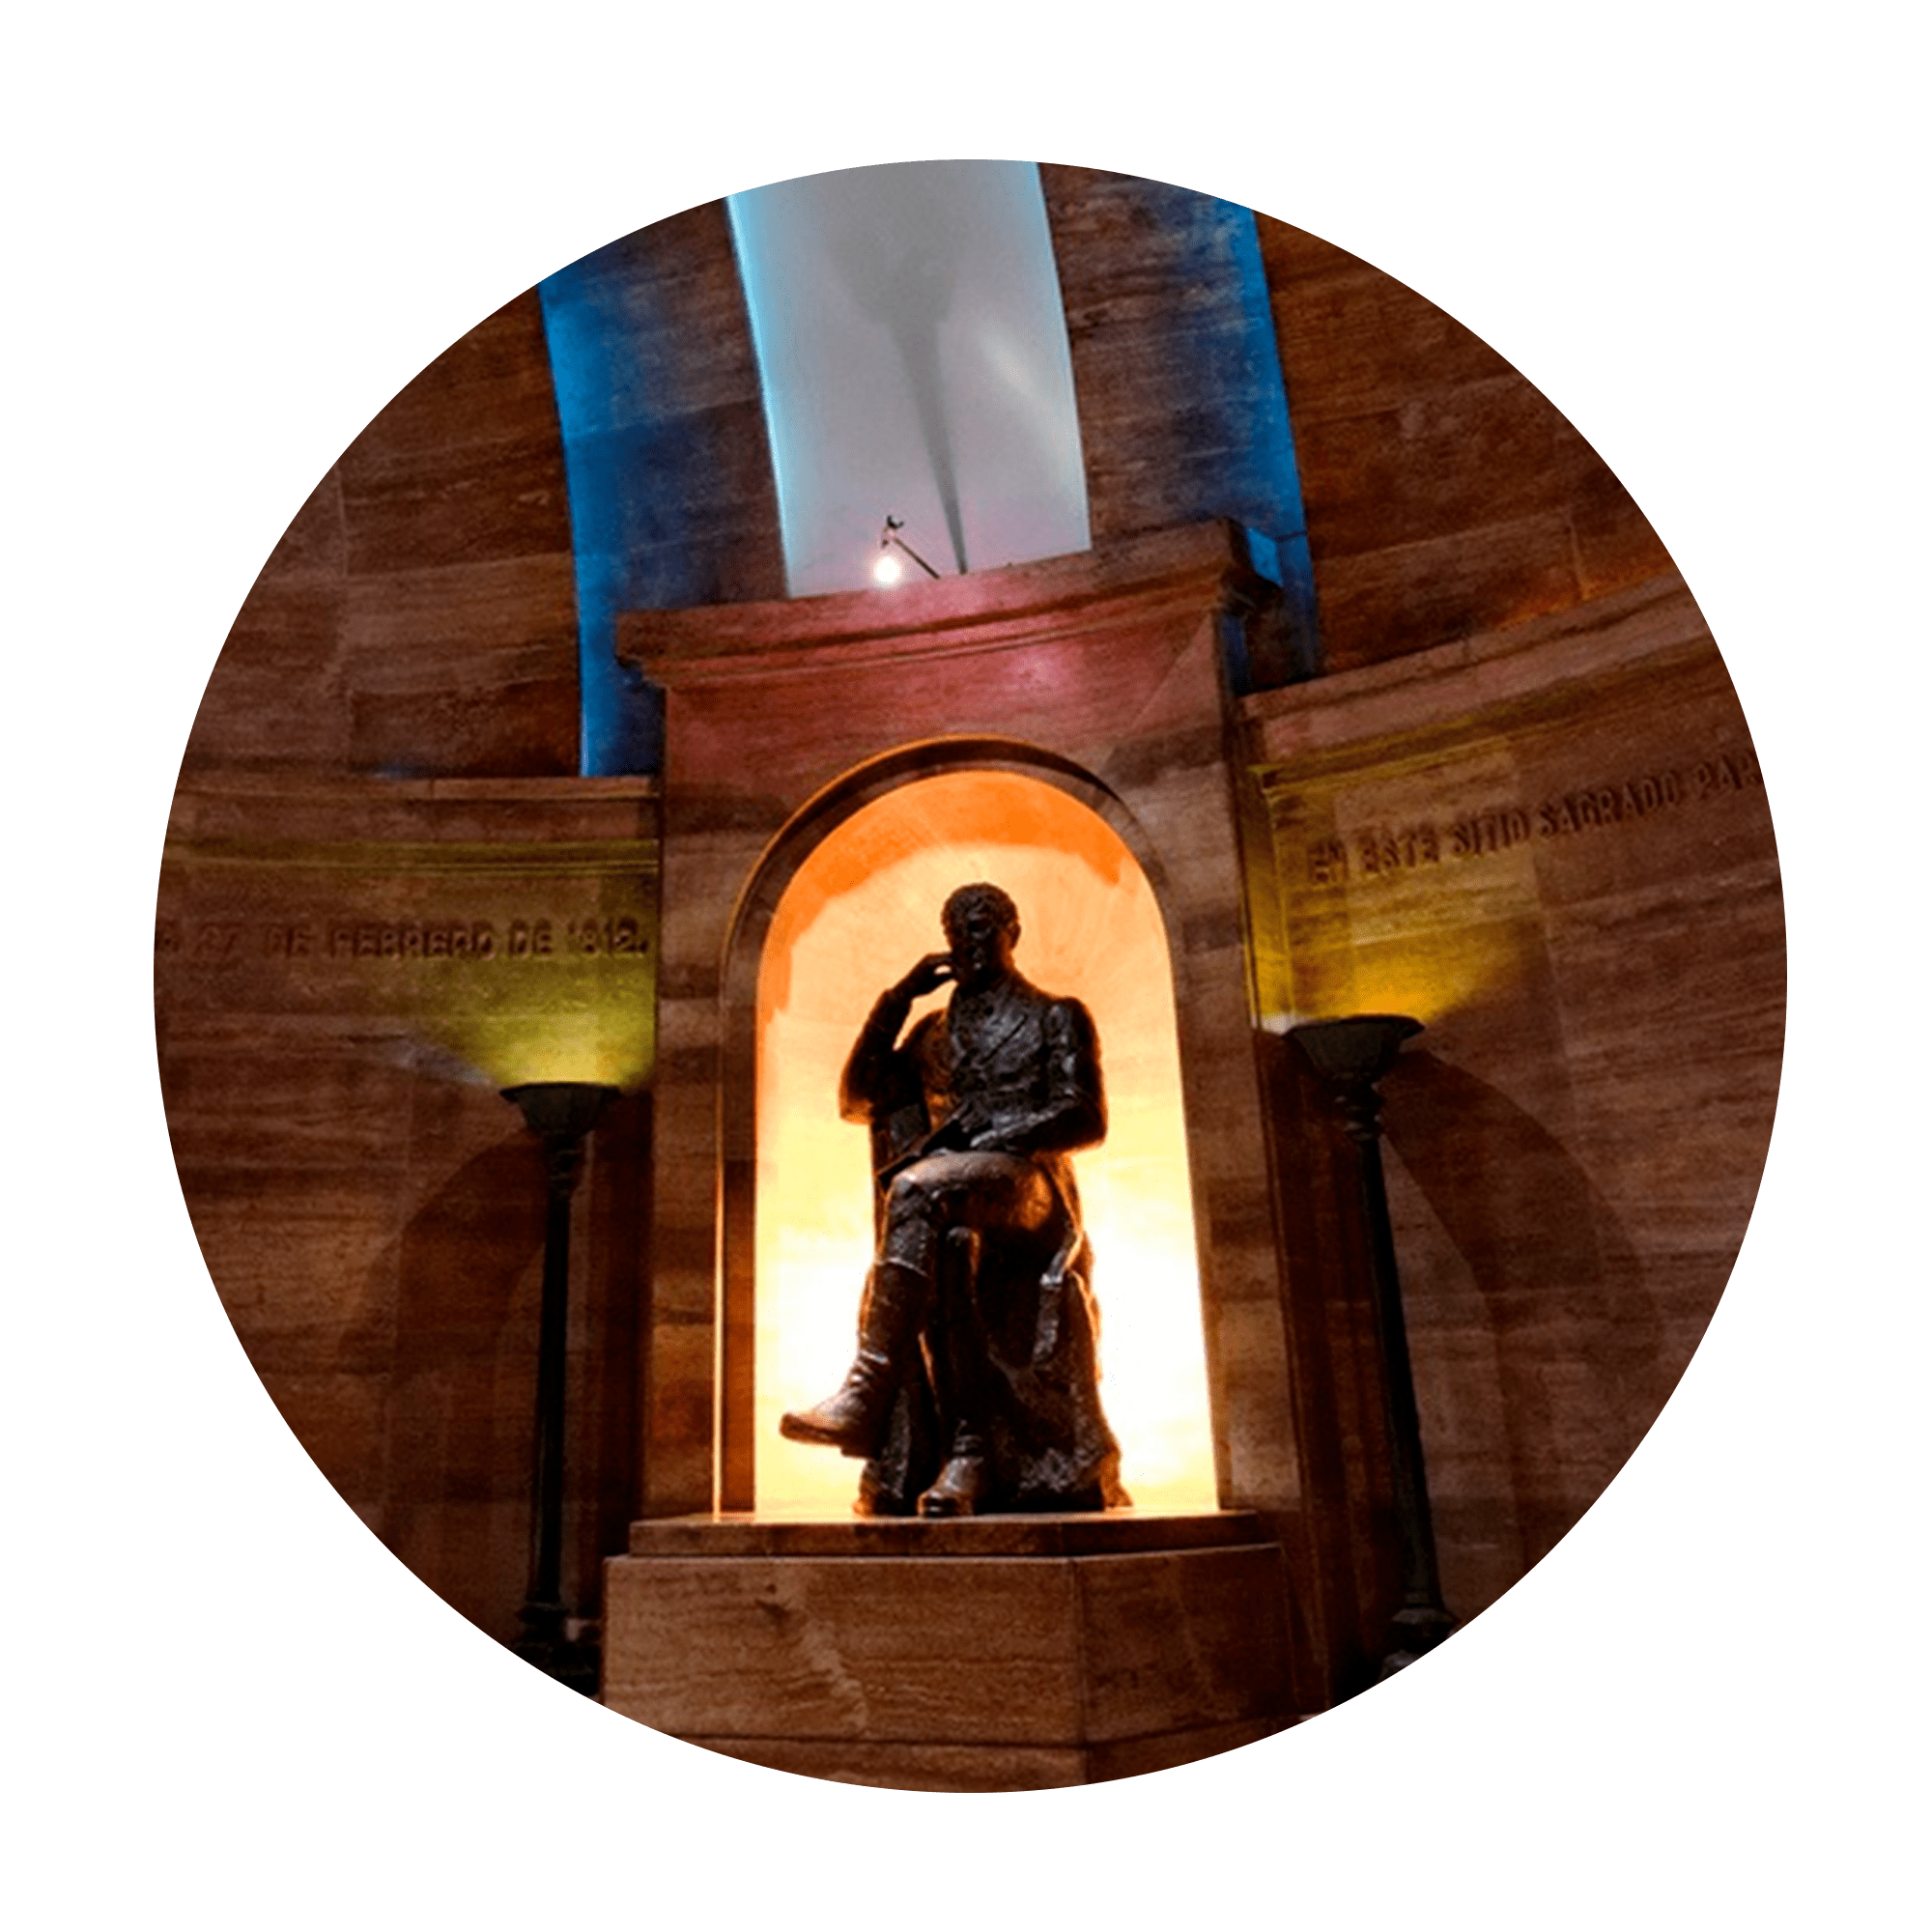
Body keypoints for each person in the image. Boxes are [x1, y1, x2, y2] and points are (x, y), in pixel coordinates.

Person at [781, 882, 1128, 1518]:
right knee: (943, 1234)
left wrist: (995, 1135)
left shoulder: (1055, 1014)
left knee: (917, 1187)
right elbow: (859, 1096)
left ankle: (865, 1391)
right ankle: (969, 1452)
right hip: (950, 1196)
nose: (965, 940)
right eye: (954, 931)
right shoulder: (933, 1032)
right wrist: (895, 1000)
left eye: (978, 925)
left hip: (1030, 1187)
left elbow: (1085, 1115)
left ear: (1012, 931)